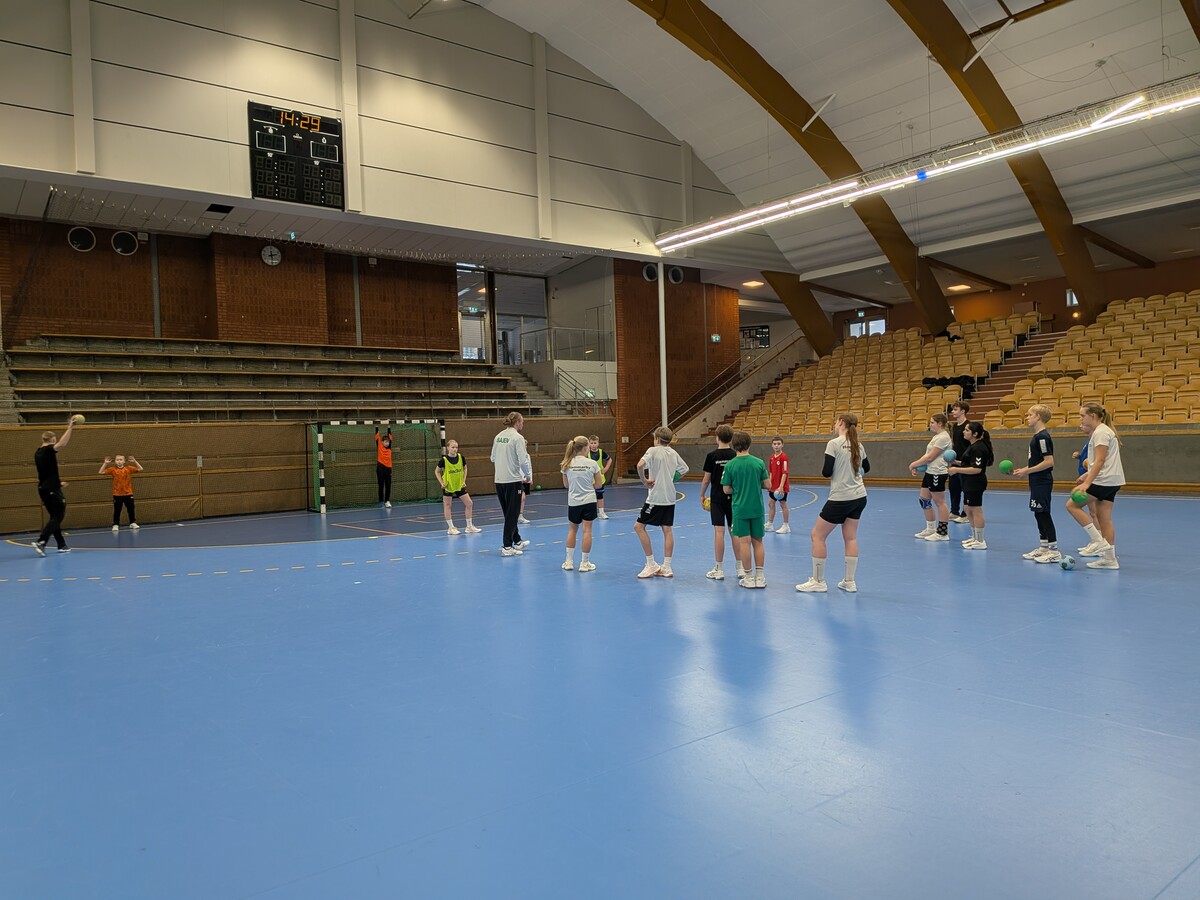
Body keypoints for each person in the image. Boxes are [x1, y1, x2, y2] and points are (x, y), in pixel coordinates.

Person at [796, 413, 869, 593]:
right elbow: (866, 468)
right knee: (851, 537)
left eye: (836, 422)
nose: (835, 425)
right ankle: (849, 581)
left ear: (841, 423)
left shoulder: (834, 444)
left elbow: (826, 472)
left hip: (841, 497)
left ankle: (818, 581)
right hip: (859, 496)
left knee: (817, 535)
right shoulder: (858, 444)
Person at [1065, 403, 1125, 569]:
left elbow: (1100, 460)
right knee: (1104, 519)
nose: (1080, 419)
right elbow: (1102, 461)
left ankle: (1098, 541)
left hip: (1103, 480)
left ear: (1092, 416)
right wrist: (1086, 475)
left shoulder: (1100, 433)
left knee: (1072, 505)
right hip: (1113, 481)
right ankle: (1110, 559)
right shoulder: (1104, 431)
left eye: (1082, 415)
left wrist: (1087, 483)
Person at [633, 426, 688, 578]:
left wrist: (644, 480)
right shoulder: (673, 453)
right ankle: (667, 567)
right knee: (667, 529)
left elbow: (639, 465)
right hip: (670, 497)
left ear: (656, 439)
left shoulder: (652, 450)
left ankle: (651, 563)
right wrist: (670, 480)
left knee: (638, 527)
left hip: (656, 497)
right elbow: (684, 469)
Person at [1010, 405, 1060, 563]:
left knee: (1044, 513)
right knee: (1038, 512)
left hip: (1042, 481)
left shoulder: (1043, 437)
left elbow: (1049, 461)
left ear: (1038, 416)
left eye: (1030, 414)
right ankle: (1043, 547)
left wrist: (1028, 471)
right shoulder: (1037, 436)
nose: (1027, 417)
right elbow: (1037, 461)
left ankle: (1054, 551)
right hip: (1036, 480)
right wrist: (1024, 470)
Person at [722, 430, 770, 588]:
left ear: (733, 445)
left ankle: (748, 577)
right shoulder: (759, 463)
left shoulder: (730, 465)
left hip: (740, 509)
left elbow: (726, 489)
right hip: (756, 508)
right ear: (749, 444)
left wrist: (738, 488)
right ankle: (760, 577)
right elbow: (768, 485)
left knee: (744, 542)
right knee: (758, 541)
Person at [33, 416, 78, 556]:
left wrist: (58, 483)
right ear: (52, 440)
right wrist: (70, 427)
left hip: (44, 488)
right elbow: (62, 444)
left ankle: (61, 545)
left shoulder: (38, 452)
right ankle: (41, 541)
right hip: (51, 489)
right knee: (58, 515)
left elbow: (46, 472)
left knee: (54, 517)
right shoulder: (48, 450)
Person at [947, 421, 994, 549]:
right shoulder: (972, 446)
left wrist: (956, 470)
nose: (964, 431)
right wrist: (955, 462)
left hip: (975, 482)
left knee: (976, 510)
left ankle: (980, 540)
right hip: (968, 482)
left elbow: (977, 469)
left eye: (967, 430)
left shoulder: (979, 448)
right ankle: (974, 537)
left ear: (975, 434)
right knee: (968, 509)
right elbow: (968, 463)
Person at [491, 411, 533, 556]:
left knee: (509, 513)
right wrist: (527, 475)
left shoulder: (498, 436)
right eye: (522, 422)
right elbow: (523, 460)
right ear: (518, 422)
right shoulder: (518, 438)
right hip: (512, 480)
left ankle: (517, 541)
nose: (523, 424)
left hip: (499, 480)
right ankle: (507, 546)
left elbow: (492, 458)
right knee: (512, 514)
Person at [700, 424, 737, 581]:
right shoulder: (735, 455)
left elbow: (706, 479)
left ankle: (719, 568)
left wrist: (702, 495)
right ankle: (741, 568)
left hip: (717, 498)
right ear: (731, 438)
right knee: (735, 531)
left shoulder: (712, 456)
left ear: (717, 438)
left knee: (719, 532)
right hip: (733, 497)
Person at [560, 435, 602, 572]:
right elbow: (598, 485)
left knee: (572, 530)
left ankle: (569, 562)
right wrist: (588, 485)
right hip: (589, 501)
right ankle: (584, 563)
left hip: (574, 502)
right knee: (587, 531)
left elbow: (566, 485)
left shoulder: (566, 464)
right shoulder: (593, 464)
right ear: (585, 448)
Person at [909, 413, 952, 542]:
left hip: (937, 473)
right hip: (930, 471)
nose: (930, 425)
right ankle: (931, 528)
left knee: (940, 502)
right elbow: (926, 455)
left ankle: (942, 533)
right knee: (924, 500)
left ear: (940, 424)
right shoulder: (936, 437)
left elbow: (931, 457)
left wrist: (913, 464)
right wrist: (918, 465)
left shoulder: (943, 437)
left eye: (932, 422)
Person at [436, 439, 480, 535]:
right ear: (448, 448)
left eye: (456, 447)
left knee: (469, 503)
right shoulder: (443, 460)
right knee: (448, 505)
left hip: (459, 484)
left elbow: (465, 468)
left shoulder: (461, 457)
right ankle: (451, 527)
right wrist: (442, 483)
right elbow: (437, 471)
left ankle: (469, 526)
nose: (455, 449)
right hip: (448, 485)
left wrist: (463, 480)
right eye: (452, 447)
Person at [99, 453, 144, 532]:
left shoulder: (128, 468)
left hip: (128, 493)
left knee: (131, 509)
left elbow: (141, 469)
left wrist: (135, 461)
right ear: (115, 461)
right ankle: (115, 524)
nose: (119, 461)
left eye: (120, 460)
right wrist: (105, 463)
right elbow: (100, 472)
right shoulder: (113, 469)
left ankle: (132, 522)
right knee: (117, 510)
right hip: (117, 494)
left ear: (124, 461)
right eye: (117, 460)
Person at [947, 401, 971, 523]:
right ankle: (954, 511)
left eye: (955, 409)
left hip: (965, 462)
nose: (953, 412)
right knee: (953, 487)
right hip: (954, 461)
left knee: (966, 488)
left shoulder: (969, 426)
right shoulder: (955, 426)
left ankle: (966, 513)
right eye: (953, 409)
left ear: (963, 411)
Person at [764, 437, 791, 533]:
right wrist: (770, 483)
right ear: (772, 445)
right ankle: (770, 524)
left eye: (778, 444)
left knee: (783, 504)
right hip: (773, 486)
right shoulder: (772, 457)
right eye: (775, 444)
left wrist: (781, 486)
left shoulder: (784, 457)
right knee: (771, 503)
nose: (776, 446)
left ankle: (786, 525)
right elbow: (771, 472)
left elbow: (785, 473)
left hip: (781, 487)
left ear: (782, 445)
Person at [587, 435, 614, 519]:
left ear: (598, 443)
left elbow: (609, 459)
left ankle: (601, 512)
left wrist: (605, 469)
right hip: (589, 478)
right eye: (591, 443)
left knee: (599, 495)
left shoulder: (601, 452)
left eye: (595, 443)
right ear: (589, 444)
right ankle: (590, 512)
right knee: (590, 496)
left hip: (599, 478)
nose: (593, 445)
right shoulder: (586, 453)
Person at [374, 425, 393, 508]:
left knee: (388, 485)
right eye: (385, 442)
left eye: (388, 442)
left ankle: (387, 501)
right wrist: (377, 426)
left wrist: (388, 427)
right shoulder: (379, 446)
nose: (387, 443)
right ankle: (381, 501)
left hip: (388, 468)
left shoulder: (389, 447)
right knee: (381, 485)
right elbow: (377, 435)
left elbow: (390, 435)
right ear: (382, 442)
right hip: (380, 468)